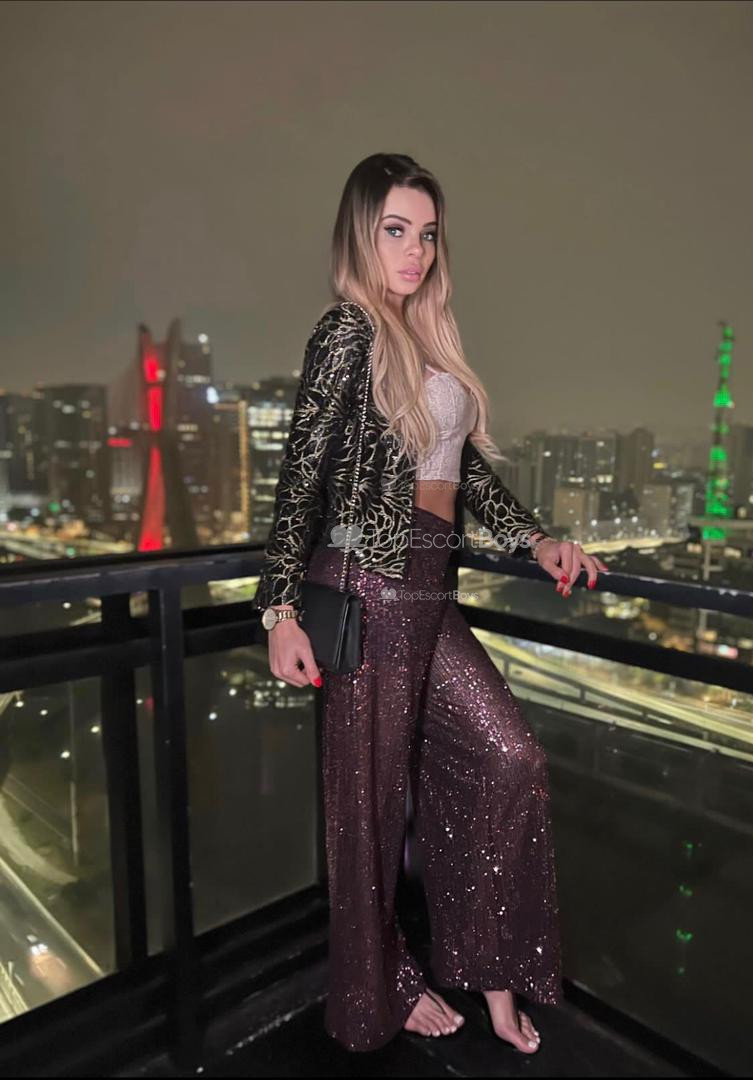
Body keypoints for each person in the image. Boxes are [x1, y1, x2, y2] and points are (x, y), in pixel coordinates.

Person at [252, 153, 607, 1055]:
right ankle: (384, 989)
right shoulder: (347, 330)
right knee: (367, 811)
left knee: (510, 758)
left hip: (430, 591)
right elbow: (301, 474)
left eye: (428, 234)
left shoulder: (425, 338)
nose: (414, 251)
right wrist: (279, 609)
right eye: (394, 231)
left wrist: (535, 541)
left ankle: (492, 974)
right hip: (367, 586)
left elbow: (462, 472)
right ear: (360, 234)